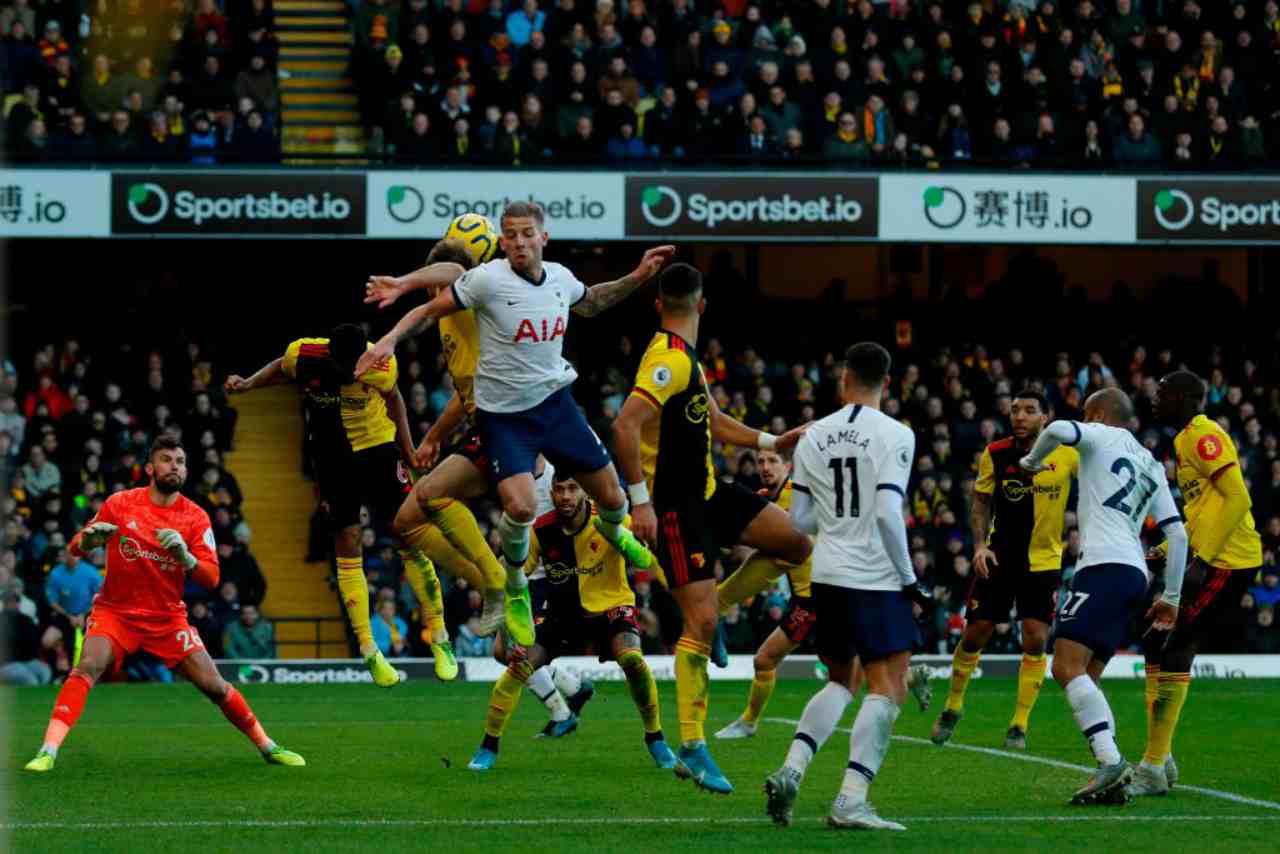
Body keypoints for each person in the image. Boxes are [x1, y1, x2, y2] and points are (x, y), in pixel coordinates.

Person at [358, 201, 670, 651]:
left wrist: (639, 275)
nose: (520, 242)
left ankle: (595, 538)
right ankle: (506, 585)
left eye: (528, 234)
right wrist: (393, 331)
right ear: (501, 243)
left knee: (611, 499)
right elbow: (445, 292)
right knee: (437, 512)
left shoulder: (531, 280)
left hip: (553, 408)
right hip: (502, 420)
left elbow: (452, 268)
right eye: (511, 235)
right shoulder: (480, 290)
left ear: (543, 237)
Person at [611, 263, 812, 794]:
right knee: (696, 626)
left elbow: (716, 422)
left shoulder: (686, 361)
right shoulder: (667, 362)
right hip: (676, 511)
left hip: (710, 493)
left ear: (661, 305)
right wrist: (641, 504)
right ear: (701, 306)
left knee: (795, 542)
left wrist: (774, 443)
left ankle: (719, 604)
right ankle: (695, 746)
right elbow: (624, 424)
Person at [23, 437, 304, 771]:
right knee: (88, 666)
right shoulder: (120, 504)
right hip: (116, 612)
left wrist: (185, 557)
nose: (175, 466)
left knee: (215, 686)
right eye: (167, 459)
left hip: (167, 617)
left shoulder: (195, 517)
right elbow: (75, 548)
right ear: (150, 468)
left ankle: (268, 746)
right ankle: (48, 751)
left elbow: (212, 578)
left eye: (181, 461)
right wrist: (89, 540)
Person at [225, 324, 456, 683]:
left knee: (407, 534)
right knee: (347, 540)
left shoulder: (382, 364)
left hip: (377, 446)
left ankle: (440, 635)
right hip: (332, 457)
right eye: (345, 367)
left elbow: (394, 400)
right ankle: (369, 649)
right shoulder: (304, 355)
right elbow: (279, 368)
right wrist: (249, 383)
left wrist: (408, 448)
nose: (352, 373)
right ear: (331, 357)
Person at [763, 342, 930, 831]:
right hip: (875, 578)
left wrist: (838, 524)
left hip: (827, 575)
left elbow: (801, 520)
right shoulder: (897, 434)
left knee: (842, 680)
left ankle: (792, 770)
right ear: (888, 381)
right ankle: (851, 799)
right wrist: (909, 579)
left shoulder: (814, 437)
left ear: (843, 379)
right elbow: (885, 512)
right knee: (889, 687)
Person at [1018, 388, 1187, 805]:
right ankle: (1114, 769)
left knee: (1065, 666)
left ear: (1096, 414)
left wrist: (1031, 462)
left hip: (1103, 567)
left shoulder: (1096, 434)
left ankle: (1111, 763)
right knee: (1086, 676)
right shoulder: (1151, 462)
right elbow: (1178, 534)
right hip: (1134, 574)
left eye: (1086, 412)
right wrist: (1173, 596)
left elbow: (1055, 428)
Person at [715, 447, 932, 740]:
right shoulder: (768, 499)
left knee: (775, 662)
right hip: (810, 597)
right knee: (848, 669)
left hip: (818, 599)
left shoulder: (801, 495)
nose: (765, 467)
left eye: (773, 461)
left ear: (788, 465)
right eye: (761, 461)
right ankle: (909, 677)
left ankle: (753, 725)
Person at [467, 473, 676, 771]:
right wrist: (495, 589)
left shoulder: (610, 519)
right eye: (559, 489)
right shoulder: (542, 529)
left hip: (611, 607)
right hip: (561, 615)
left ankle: (656, 738)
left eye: (572, 489)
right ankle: (488, 746)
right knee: (517, 667)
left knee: (633, 660)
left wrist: (622, 539)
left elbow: (645, 561)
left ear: (585, 492)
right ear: (551, 493)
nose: (565, 496)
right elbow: (515, 574)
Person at [1130, 371, 1263, 796]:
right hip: (1209, 555)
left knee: (1175, 639)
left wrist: (1201, 558)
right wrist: (1171, 550)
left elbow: (1238, 497)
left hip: (1230, 558)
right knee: (1154, 638)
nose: (1155, 398)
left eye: (1163, 392)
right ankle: (1160, 755)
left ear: (1186, 398)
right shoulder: (1183, 438)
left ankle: (1152, 765)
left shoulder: (1205, 434)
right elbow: (1206, 506)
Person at [933, 389, 1078, 750]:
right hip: (1000, 557)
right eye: (1015, 410)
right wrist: (980, 546)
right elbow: (980, 501)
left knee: (1034, 639)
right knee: (976, 633)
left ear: (1046, 417)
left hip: (1044, 561)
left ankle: (1019, 723)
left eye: (1029, 410)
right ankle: (952, 705)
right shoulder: (996, 453)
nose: (1020, 416)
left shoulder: (1069, 454)